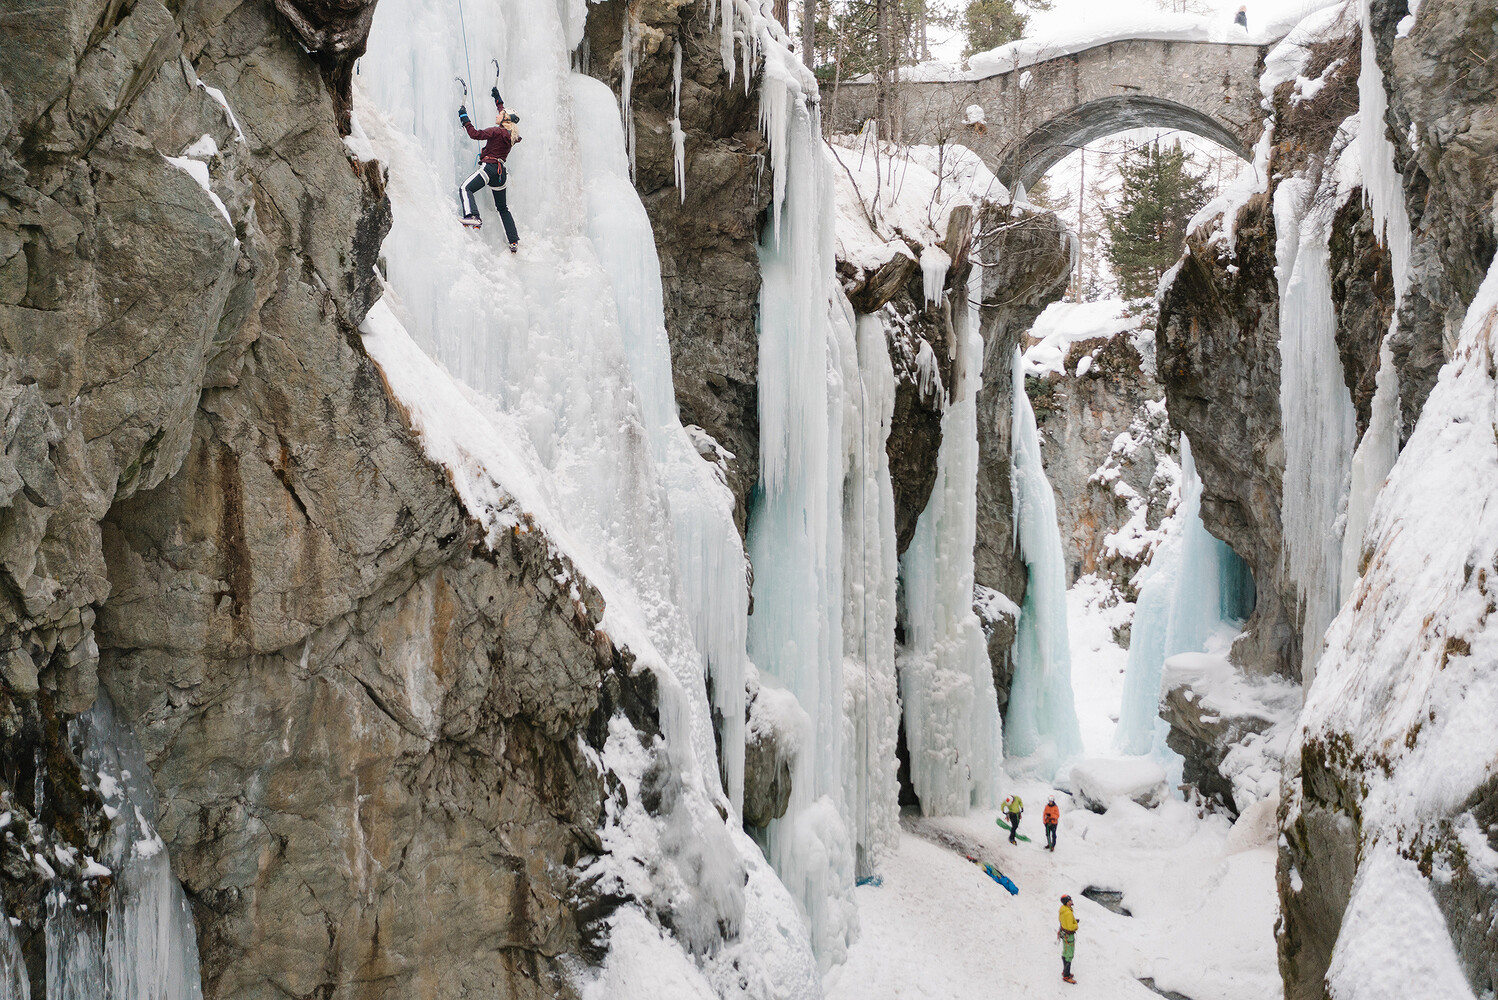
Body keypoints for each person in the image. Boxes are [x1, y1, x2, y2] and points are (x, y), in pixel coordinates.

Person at [458, 86, 522, 251]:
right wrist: (498, 100)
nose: (497, 115)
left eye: (499, 114)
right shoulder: (511, 135)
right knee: (503, 208)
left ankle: (473, 216)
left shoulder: (496, 131)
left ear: (504, 120)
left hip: (490, 168)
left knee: (465, 188)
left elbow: (475, 134)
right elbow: (505, 114)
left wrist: (464, 118)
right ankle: (513, 241)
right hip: (500, 176)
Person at [1058, 894, 1079, 984]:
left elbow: (1064, 921)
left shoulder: (1062, 910)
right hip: (1069, 936)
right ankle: (1066, 975)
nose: (1071, 901)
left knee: (1065, 951)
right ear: (1067, 902)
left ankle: (1065, 972)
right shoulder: (1068, 913)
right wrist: (1076, 925)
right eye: (1069, 900)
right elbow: (1071, 927)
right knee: (1069, 954)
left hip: (1063, 933)